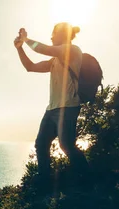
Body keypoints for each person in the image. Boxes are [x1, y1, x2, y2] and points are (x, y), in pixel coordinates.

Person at [14, 23, 89, 188]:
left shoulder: (73, 51)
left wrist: (25, 39)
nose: (51, 38)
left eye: (53, 35)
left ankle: (86, 178)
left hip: (68, 107)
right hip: (52, 109)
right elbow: (30, 67)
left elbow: (43, 49)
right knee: (41, 143)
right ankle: (44, 180)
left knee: (66, 145)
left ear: (63, 35)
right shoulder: (54, 60)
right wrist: (20, 48)